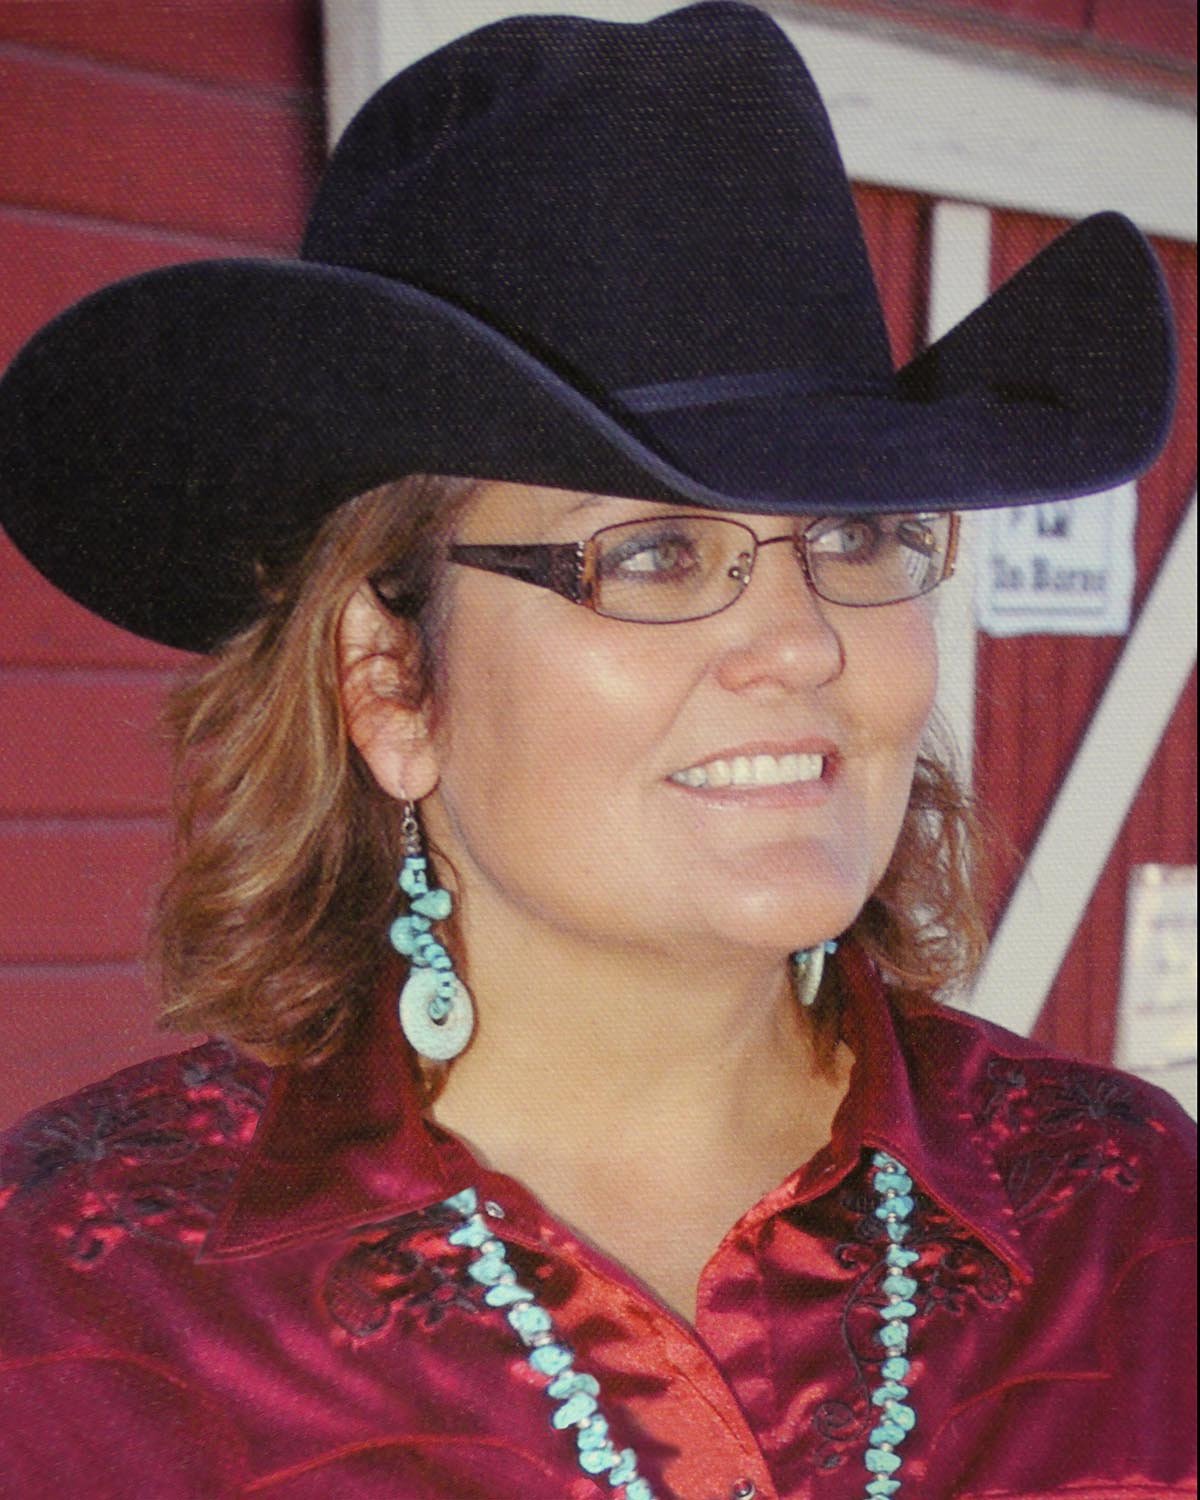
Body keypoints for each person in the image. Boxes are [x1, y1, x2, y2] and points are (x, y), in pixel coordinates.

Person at [0, 4, 1193, 1498]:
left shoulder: (1134, 1221)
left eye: (855, 534)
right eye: (653, 555)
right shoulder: (71, 1307)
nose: (805, 642)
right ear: (390, 682)